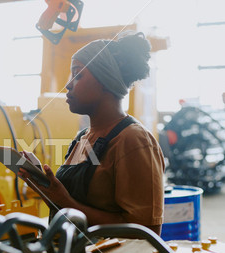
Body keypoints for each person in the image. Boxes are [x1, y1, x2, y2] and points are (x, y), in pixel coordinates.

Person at [19, 32, 165, 235]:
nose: (69, 85)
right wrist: (46, 188)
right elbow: (73, 202)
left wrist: (65, 201)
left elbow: (146, 231)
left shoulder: (133, 140)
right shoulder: (84, 138)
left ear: (106, 80)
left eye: (78, 74)